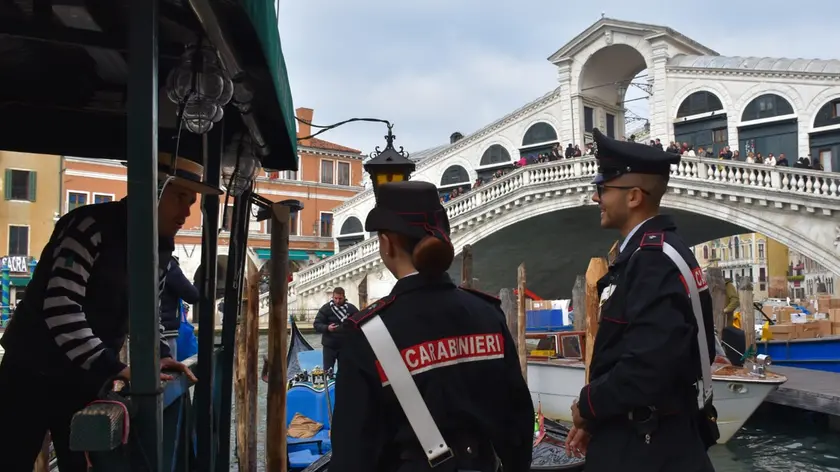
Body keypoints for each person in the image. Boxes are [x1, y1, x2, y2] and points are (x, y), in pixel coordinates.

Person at [0, 155, 218, 471]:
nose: (187, 212)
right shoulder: (89, 226)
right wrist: (116, 367)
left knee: (82, 463)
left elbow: (146, 310)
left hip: (84, 377)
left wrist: (157, 355)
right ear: (153, 190)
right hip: (31, 370)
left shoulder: (161, 245)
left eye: (192, 201)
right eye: (180, 197)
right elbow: (61, 307)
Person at [329, 181, 534, 472]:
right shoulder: (488, 314)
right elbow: (518, 424)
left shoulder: (366, 336)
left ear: (386, 244)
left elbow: (354, 454)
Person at [565, 129, 717, 472]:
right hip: (653, 435)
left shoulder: (651, 260)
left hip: (646, 448)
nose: (595, 198)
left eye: (602, 189)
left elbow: (646, 369)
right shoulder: (661, 252)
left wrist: (588, 406)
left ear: (633, 196)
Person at [160, 255, 200, 360]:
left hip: (138, 335)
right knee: (169, 372)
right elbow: (192, 295)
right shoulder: (167, 264)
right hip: (165, 333)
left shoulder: (136, 258)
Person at [313, 287, 359, 371]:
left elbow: (359, 324)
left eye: (340, 298)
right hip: (329, 346)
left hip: (346, 346)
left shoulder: (351, 309)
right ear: (332, 297)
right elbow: (316, 324)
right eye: (335, 298)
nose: (337, 301)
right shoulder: (326, 308)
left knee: (346, 372)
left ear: (344, 297)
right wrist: (327, 328)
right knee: (327, 371)